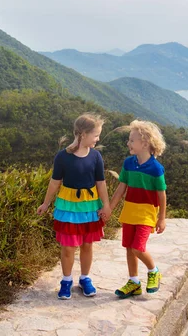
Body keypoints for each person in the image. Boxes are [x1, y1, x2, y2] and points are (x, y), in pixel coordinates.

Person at [37, 113, 112, 300]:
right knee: (68, 247)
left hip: (89, 206)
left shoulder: (96, 156)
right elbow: (55, 182)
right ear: (82, 134)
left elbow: (101, 183)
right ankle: (66, 280)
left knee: (87, 245)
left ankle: (85, 278)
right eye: (95, 135)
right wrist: (46, 203)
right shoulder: (62, 157)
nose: (98, 139)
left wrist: (106, 205)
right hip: (68, 206)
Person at [110, 120, 167, 298]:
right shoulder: (128, 163)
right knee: (128, 247)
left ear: (145, 143)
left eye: (131, 140)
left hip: (146, 214)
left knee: (137, 247)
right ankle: (134, 282)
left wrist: (161, 218)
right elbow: (121, 188)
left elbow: (161, 194)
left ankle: (154, 271)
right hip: (129, 211)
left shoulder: (156, 168)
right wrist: (110, 208)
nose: (128, 143)